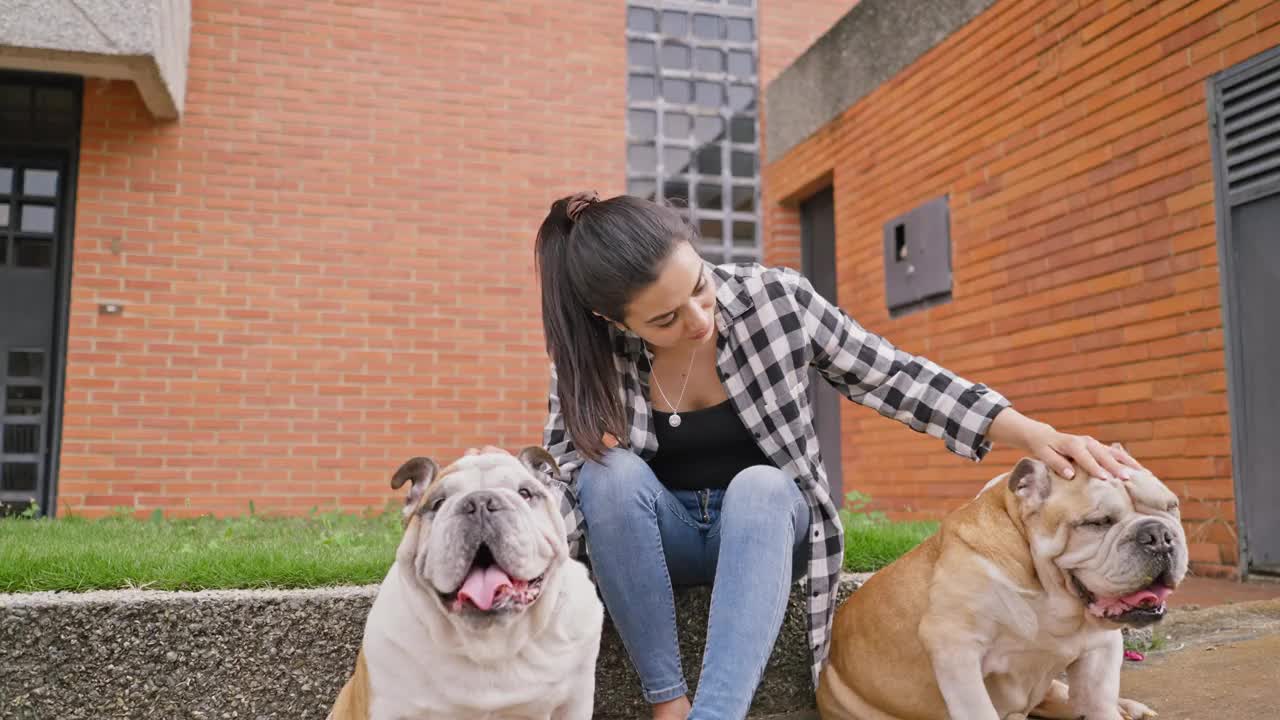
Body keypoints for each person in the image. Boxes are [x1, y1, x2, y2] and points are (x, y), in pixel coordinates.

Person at [534, 191, 1139, 720]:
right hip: (664, 542)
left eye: (700, 287)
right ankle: (669, 701)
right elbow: (557, 483)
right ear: (611, 318)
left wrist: (1031, 434)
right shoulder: (589, 361)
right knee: (605, 474)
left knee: (763, 485)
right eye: (664, 319)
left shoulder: (777, 301)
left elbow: (894, 377)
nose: (698, 319)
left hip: (769, 532)